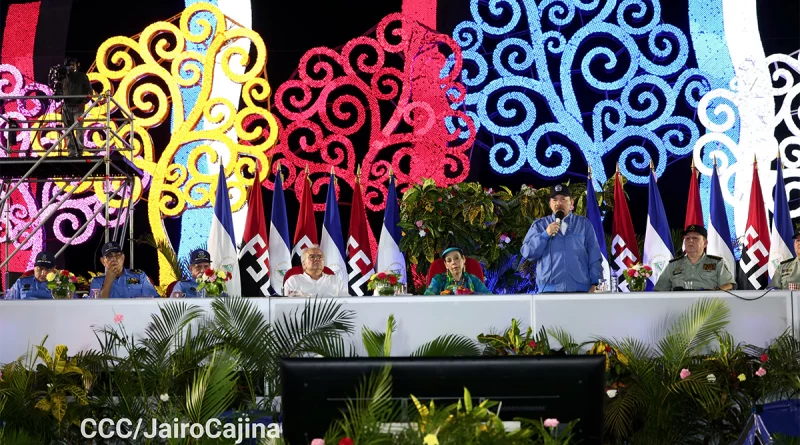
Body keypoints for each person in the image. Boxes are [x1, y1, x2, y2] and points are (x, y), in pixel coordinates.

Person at [521, 184, 603, 293]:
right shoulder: (539, 225)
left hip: (580, 292)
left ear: (571, 203)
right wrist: (545, 235)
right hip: (548, 292)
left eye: (563, 199)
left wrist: (595, 283)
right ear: (550, 204)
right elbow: (527, 253)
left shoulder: (584, 224)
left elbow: (594, 256)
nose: (559, 203)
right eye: (554, 200)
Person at [654, 225, 736, 291]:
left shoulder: (717, 263)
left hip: (708, 306)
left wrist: (715, 291)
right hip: (679, 307)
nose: (690, 241)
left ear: (705, 243)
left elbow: (729, 284)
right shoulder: (673, 265)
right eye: (687, 238)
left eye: (695, 238)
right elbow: (659, 290)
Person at [89, 242, 159, 298]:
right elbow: (97, 307)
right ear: (103, 261)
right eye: (109, 256)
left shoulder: (139, 276)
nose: (114, 259)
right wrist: (108, 281)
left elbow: (152, 299)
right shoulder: (97, 282)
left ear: (123, 257)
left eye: (117, 255)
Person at [283, 245, 348, 297]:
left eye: (320, 256)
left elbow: (347, 301)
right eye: (312, 257)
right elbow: (287, 305)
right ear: (303, 264)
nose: (317, 259)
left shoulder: (335, 280)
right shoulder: (293, 281)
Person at [424, 247, 491, 295]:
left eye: (456, 258)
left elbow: (489, 298)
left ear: (463, 259)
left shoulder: (473, 279)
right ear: (446, 264)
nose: (453, 262)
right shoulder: (438, 279)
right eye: (449, 260)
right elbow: (428, 298)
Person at [61, 57, 92, 157]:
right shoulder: (63, 77)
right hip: (66, 107)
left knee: (79, 129)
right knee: (67, 130)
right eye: (69, 65)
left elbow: (90, 92)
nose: (71, 67)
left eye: (73, 64)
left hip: (78, 107)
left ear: (77, 65)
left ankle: (79, 151)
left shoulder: (83, 76)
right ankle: (71, 151)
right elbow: (57, 91)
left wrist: (84, 102)